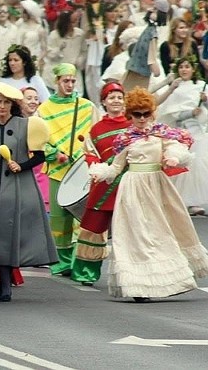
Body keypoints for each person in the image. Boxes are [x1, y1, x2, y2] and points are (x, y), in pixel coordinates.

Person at [89, 87, 208, 302]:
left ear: (151, 113)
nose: (141, 119)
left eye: (145, 113)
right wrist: (100, 172)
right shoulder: (125, 138)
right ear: (130, 115)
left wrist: (173, 158)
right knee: (137, 235)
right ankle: (139, 285)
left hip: (157, 187)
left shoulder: (161, 133)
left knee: (161, 232)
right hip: (132, 189)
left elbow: (176, 147)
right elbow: (116, 167)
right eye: (137, 114)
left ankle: (171, 280)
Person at [0, 82, 57, 302]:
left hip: (17, 186)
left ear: (13, 105)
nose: (2, 106)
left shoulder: (27, 125)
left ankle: (6, 281)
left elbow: (40, 156)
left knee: (9, 231)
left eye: (6, 102)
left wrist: (21, 165)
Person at [37, 63, 99, 276]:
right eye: (66, 81)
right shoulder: (44, 109)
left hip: (82, 169)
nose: (70, 85)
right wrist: (54, 154)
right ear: (56, 82)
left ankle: (78, 261)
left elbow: (95, 135)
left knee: (83, 217)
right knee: (58, 217)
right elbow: (38, 139)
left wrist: (89, 157)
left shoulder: (86, 107)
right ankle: (61, 261)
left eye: (73, 81)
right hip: (56, 169)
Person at [70, 82, 131, 285]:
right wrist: (99, 170)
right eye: (111, 97)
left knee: (129, 230)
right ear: (104, 102)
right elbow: (89, 154)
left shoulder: (133, 126)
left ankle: (129, 273)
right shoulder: (96, 130)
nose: (116, 101)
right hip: (105, 184)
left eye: (119, 97)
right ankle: (85, 272)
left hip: (129, 185)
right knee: (93, 228)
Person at [155, 57, 208, 216]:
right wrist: (189, 113)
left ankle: (195, 202)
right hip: (181, 133)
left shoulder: (201, 86)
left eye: (187, 67)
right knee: (182, 166)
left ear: (193, 69)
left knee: (199, 165)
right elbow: (172, 114)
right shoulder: (176, 89)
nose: (184, 70)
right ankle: (180, 201)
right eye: (181, 67)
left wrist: (205, 102)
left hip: (198, 131)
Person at [123, 0, 169, 92]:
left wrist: (156, 71)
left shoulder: (152, 33)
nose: (151, 10)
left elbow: (151, 58)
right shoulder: (150, 31)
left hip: (140, 71)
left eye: (155, 9)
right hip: (137, 69)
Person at [20, 86, 49, 212]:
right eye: (29, 98)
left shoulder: (44, 122)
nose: (33, 101)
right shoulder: (15, 123)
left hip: (41, 172)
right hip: (21, 173)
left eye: (36, 98)